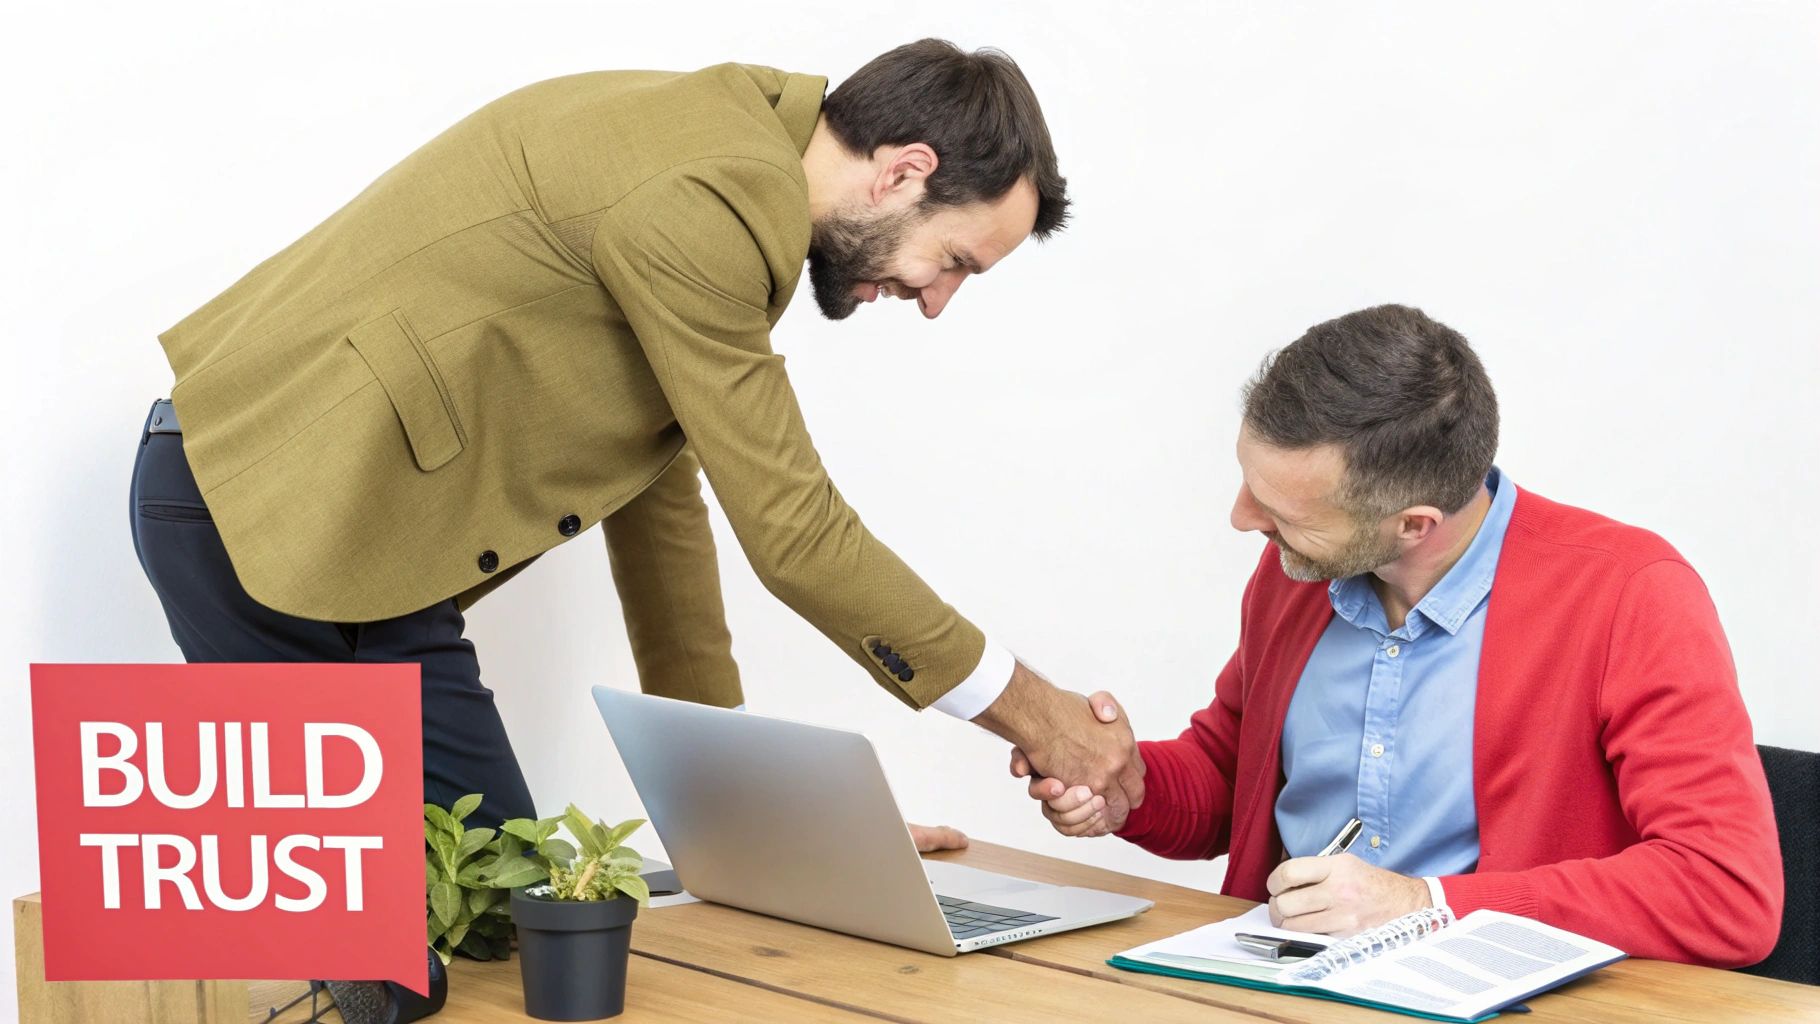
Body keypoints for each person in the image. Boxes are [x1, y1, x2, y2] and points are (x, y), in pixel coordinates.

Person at [132, 39, 1141, 841]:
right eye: (953, 259)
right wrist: (1037, 714)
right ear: (903, 172)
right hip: (262, 507)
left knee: (500, 924)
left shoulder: (720, 151)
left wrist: (754, 817)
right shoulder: (710, 191)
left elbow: (659, 511)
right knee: (423, 952)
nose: (933, 301)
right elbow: (795, 533)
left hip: (340, 539)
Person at [1016, 304, 1783, 967]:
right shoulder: (1296, 575)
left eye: (1283, 510)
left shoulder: (1629, 594)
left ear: (1414, 525)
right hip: (1286, 987)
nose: (1243, 518)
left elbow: (1726, 890)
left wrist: (1425, 902)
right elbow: (1230, 783)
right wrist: (1122, 786)